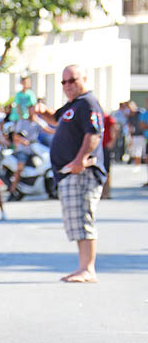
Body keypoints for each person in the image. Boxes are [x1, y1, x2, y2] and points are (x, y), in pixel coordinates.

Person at [36, 65, 106, 283]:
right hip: (68, 172)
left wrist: (79, 159)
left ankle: (88, 269)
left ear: (84, 78)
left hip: (82, 172)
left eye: (72, 80)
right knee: (76, 221)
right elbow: (55, 119)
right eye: (64, 82)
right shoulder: (73, 105)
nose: (67, 86)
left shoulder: (88, 103)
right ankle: (83, 266)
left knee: (84, 218)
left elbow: (93, 133)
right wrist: (41, 111)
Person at [8, 104, 53, 199]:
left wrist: (60, 130)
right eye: (30, 109)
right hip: (23, 149)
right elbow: (16, 135)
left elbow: (47, 130)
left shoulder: (38, 122)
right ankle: (12, 190)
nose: (32, 111)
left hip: (34, 149)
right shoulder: (22, 122)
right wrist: (22, 140)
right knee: (20, 167)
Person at [101, 112, 118, 199]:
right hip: (96, 147)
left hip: (104, 147)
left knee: (106, 170)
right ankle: (100, 193)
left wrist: (112, 141)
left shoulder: (106, 116)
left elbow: (115, 127)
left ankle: (107, 193)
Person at [127, 101, 145, 174]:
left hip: (142, 135)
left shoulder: (140, 113)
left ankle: (138, 165)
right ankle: (137, 165)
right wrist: (131, 138)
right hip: (135, 135)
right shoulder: (130, 116)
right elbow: (130, 127)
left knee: (142, 152)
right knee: (136, 151)